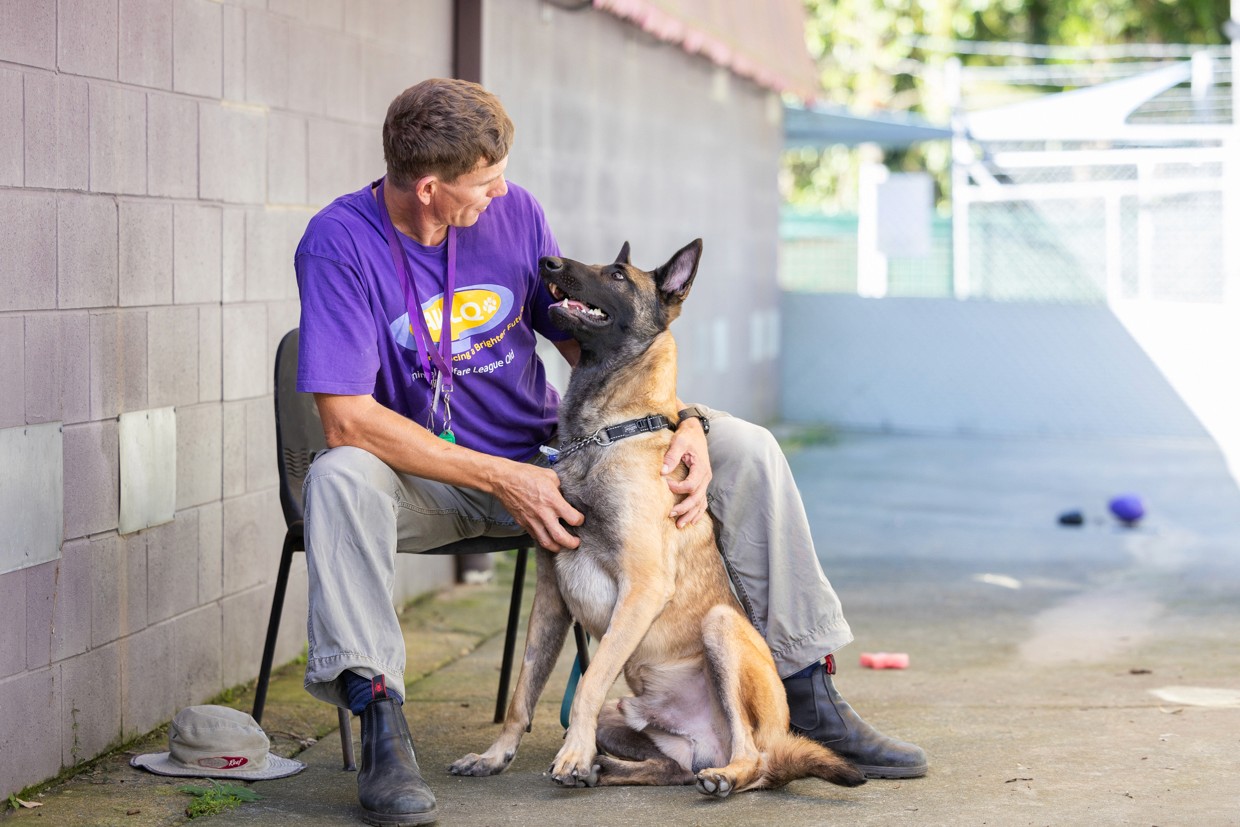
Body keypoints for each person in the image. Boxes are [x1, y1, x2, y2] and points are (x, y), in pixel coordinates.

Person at [294, 78, 926, 827]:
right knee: (337, 478)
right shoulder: (339, 245)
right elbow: (347, 420)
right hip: (437, 475)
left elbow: (594, 343)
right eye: (485, 183)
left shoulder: (514, 214)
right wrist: (504, 477)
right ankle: (382, 723)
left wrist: (684, 420)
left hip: (559, 452)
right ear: (430, 189)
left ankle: (803, 689)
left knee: (746, 448)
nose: (502, 194)